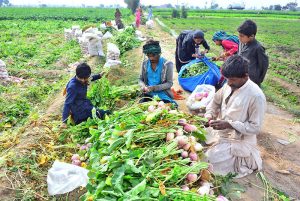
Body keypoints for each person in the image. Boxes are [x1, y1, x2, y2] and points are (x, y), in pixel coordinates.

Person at [204, 55, 266, 178]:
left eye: (232, 79)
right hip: (220, 131)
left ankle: (245, 158)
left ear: (245, 76)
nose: (229, 82)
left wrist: (230, 124)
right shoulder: (228, 85)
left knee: (207, 162)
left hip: (239, 140)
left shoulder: (256, 96)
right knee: (195, 138)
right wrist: (209, 115)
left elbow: (255, 128)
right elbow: (215, 102)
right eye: (227, 79)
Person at [61, 63, 110, 128]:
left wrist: (99, 76)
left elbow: (91, 78)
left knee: (103, 113)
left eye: (87, 77)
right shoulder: (72, 87)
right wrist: (64, 122)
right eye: (84, 78)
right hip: (80, 113)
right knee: (105, 114)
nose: (85, 80)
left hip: (86, 105)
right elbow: (67, 104)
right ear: (80, 77)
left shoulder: (83, 78)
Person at [139, 40, 177, 105]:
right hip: (148, 93)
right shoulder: (145, 64)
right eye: (149, 56)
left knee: (167, 108)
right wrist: (143, 86)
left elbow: (169, 83)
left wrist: (154, 88)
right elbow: (140, 79)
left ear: (159, 53)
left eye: (153, 56)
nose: (151, 58)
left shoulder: (167, 64)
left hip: (162, 94)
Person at [237, 20, 269, 87]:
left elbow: (264, 66)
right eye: (239, 35)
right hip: (242, 77)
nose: (239, 37)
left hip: (252, 81)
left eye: (242, 36)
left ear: (251, 36)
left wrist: (258, 81)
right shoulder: (241, 42)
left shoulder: (258, 48)